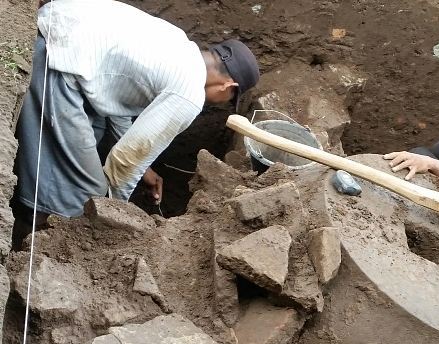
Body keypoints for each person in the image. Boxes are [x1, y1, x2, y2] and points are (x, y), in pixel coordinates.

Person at [12, 0, 259, 243]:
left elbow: (118, 106)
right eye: (228, 99)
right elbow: (125, 162)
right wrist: (114, 213)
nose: (220, 103)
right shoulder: (189, 93)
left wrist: (145, 171)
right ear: (228, 86)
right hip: (56, 61)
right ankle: (32, 230)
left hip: (57, 29)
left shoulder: (179, 44)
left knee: (97, 135)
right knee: (89, 194)